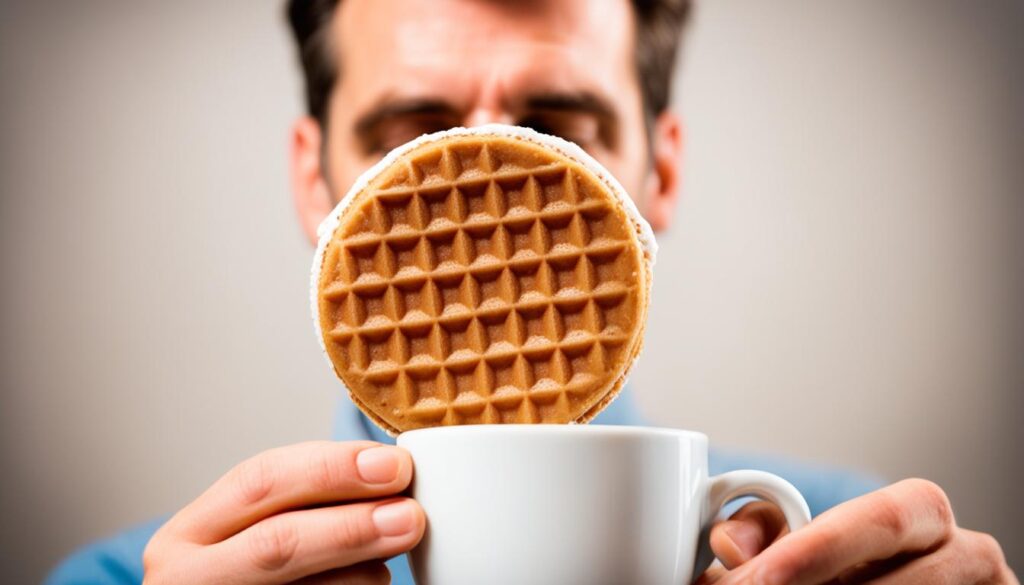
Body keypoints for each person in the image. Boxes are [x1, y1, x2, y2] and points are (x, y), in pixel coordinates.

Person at [48, 1, 1017, 583]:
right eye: (411, 134)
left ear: (660, 172)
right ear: (315, 183)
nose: (487, 182)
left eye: (558, 128)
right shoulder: (129, 579)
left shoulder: (831, 549)